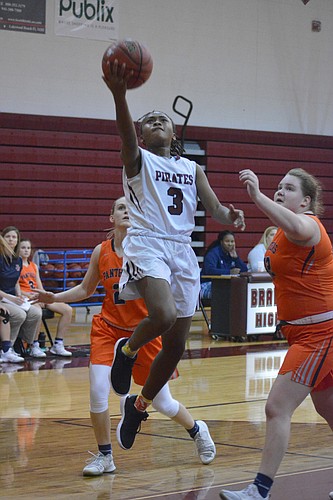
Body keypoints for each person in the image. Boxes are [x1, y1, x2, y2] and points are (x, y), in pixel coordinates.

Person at [102, 61, 245, 451]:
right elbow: (125, 134)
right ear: (143, 136)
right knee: (162, 316)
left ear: (174, 133)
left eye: (163, 119)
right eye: (149, 121)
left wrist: (229, 215)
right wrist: (119, 94)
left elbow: (213, 209)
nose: (157, 122)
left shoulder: (191, 167)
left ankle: (139, 405)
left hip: (182, 249)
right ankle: (127, 350)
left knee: (177, 344)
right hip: (148, 241)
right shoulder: (138, 160)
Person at [33, 197, 216, 476]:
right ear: (111, 217)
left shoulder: (152, 250)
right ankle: (105, 456)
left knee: (164, 402)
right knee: (97, 390)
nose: (127, 211)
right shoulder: (101, 251)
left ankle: (197, 430)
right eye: (121, 208)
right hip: (109, 328)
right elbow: (85, 289)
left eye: (133, 208)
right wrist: (53, 297)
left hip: (146, 331)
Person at [220, 168, 333, 500]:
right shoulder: (281, 232)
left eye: (289, 189)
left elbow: (299, 226)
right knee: (328, 409)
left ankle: (260, 490)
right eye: (279, 187)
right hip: (300, 334)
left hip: (320, 334)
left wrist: (257, 196)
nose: (281, 191)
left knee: (276, 407)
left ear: (307, 201)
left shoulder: (309, 226)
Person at [19, 239, 72, 357]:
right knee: (38, 312)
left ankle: (58, 344)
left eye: (28, 248)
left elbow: (39, 285)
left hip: (37, 295)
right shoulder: (16, 266)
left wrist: (44, 295)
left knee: (67, 310)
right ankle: (34, 345)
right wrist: (30, 296)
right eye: (23, 248)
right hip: (26, 298)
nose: (26, 250)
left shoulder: (33, 266)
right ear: (18, 250)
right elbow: (16, 287)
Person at [0, 227, 42, 363]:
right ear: (2, 239)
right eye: (8, 237)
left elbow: (16, 282)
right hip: (3, 298)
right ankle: (7, 348)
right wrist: (11, 297)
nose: (11, 240)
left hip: (11, 298)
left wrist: (19, 295)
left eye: (14, 237)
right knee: (19, 314)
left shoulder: (17, 260)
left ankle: (26, 344)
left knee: (36, 313)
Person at [200, 230, 248, 299]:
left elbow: (244, 270)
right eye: (227, 241)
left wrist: (236, 258)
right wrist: (229, 272)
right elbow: (209, 270)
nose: (230, 244)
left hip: (225, 285)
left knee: (240, 290)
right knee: (227, 292)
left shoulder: (233, 254)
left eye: (232, 241)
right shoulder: (213, 254)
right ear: (221, 242)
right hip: (207, 284)